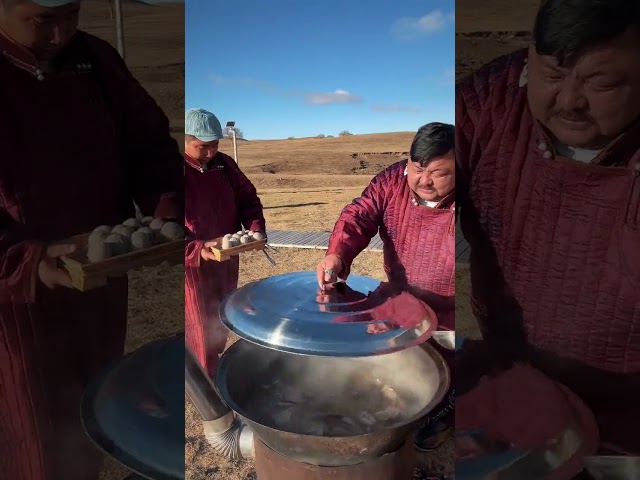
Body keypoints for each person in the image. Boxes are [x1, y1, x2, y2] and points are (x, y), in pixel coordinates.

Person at [0, 0, 183, 479]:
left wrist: (170, 206)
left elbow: (148, 144)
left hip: (98, 286)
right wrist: (27, 262)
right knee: (35, 443)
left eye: (71, 15)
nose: (61, 34)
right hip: (16, 312)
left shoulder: (96, 61)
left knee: (92, 416)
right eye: (42, 21)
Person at [456, 0, 640, 456]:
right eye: (553, 75)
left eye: (603, 83)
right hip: (510, 388)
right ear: (530, 56)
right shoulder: (489, 102)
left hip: (629, 415)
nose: (570, 102)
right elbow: (424, 193)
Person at [317, 122, 456, 453]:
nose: (424, 181)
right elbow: (359, 215)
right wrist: (338, 252)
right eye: (418, 168)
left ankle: (445, 416)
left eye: (439, 173)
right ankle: (398, 407)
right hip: (402, 296)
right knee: (402, 358)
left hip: (452, 306)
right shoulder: (391, 181)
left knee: (451, 367)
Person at [184, 108, 265, 379]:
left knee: (221, 318)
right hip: (193, 269)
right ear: (185, 140)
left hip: (226, 259)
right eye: (202, 147)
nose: (210, 153)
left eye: (214, 145)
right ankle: (206, 387)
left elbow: (248, 200)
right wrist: (196, 249)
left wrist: (255, 228)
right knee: (199, 329)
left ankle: (216, 371)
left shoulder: (226, 165)